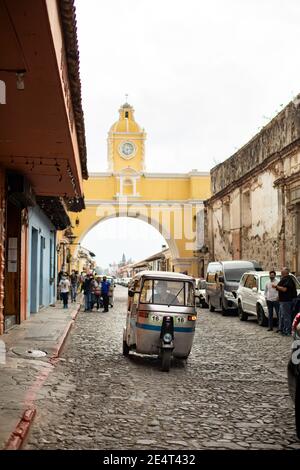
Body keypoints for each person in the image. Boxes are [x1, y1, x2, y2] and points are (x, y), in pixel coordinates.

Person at [272, 267, 297, 336]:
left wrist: (276, 286)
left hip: (286, 301)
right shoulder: (284, 279)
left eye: (282, 270)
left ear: (285, 272)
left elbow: (284, 289)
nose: (281, 271)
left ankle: (288, 331)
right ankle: (282, 329)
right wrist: (278, 297)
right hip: (283, 301)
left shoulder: (288, 279)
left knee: (286, 316)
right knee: (282, 316)